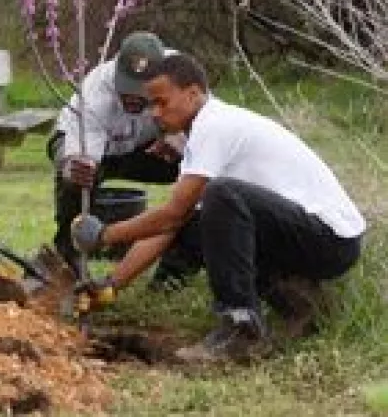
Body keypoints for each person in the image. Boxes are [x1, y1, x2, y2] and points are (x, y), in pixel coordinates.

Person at [71, 53, 366, 363]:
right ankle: (302, 304)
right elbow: (172, 224)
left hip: (331, 239)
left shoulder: (216, 126)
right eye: (150, 105)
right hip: (309, 236)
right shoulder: (200, 135)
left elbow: (171, 213)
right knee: (201, 222)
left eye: (162, 102)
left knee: (222, 195)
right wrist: (112, 286)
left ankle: (240, 328)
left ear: (193, 94)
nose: (154, 113)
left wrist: (105, 235)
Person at [49, 31, 193, 284]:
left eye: (143, 92)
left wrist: (180, 134)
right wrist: (75, 165)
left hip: (144, 148)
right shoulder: (95, 95)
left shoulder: (182, 75)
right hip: (90, 148)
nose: (134, 98)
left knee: (199, 169)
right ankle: (68, 257)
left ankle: (177, 262)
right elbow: (80, 156)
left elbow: (210, 126)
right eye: (127, 88)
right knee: (78, 177)